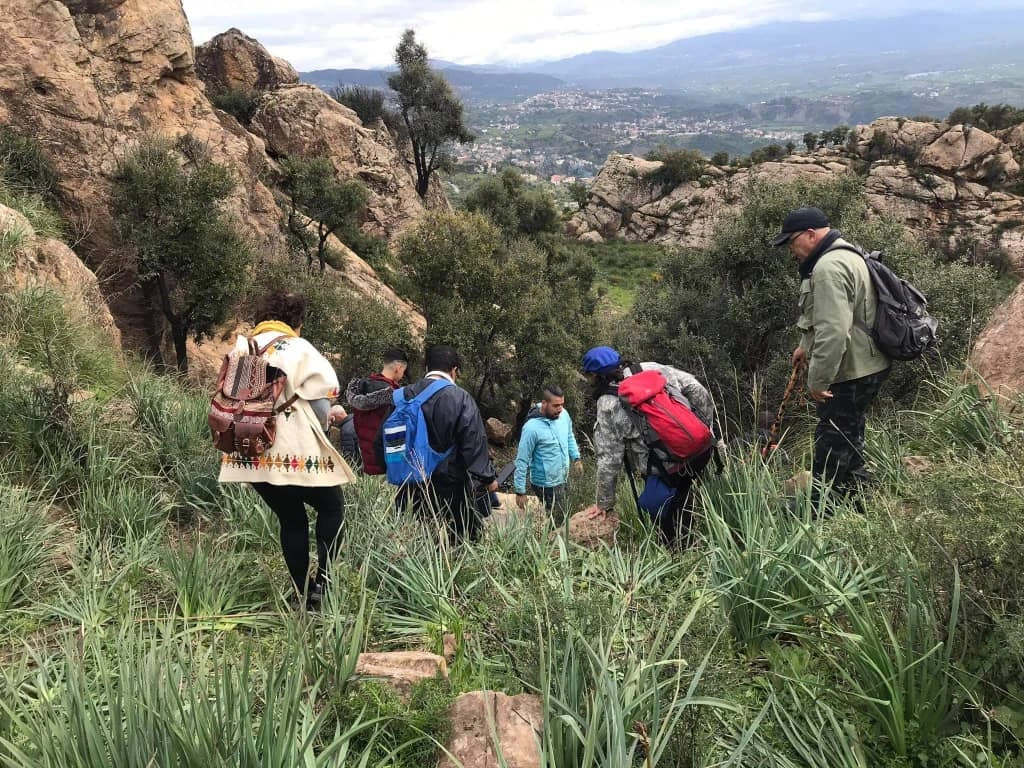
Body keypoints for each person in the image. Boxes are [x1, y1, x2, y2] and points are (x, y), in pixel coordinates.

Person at [218, 290, 356, 609]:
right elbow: (322, 401)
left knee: (291, 518)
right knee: (332, 507)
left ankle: (300, 592)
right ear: (297, 321)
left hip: (249, 450)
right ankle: (324, 585)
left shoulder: (243, 345)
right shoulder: (297, 346)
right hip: (293, 448)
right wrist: (327, 420)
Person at [770, 206, 891, 508]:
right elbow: (829, 316)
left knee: (831, 440)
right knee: (849, 432)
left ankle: (822, 512)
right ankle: (860, 501)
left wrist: (818, 380)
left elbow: (834, 331)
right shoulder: (846, 254)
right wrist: (803, 345)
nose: (790, 250)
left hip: (851, 370)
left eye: (791, 241)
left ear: (810, 235)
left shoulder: (827, 268)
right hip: (869, 363)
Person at [582, 346, 720, 547]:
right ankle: (695, 542)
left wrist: (605, 502)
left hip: (665, 468)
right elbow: (697, 390)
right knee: (683, 497)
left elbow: (609, 459)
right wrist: (702, 428)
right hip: (700, 452)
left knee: (664, 515)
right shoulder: (651, 368)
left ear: (594, 375)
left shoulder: (607, 403)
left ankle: (678, 558)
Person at [390, 345, 497, 544]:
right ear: (454, 371)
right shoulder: (459, 398)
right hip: (450, 487)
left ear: (427, 367)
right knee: (458, 541)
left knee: (414, 542)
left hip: (409, 486)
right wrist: (488, 478)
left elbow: (384, 440)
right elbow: (473, 444)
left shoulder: (402, 396)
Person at [512, 384, 583, 523]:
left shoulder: (564, 415)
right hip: (545, 483)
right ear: (544, 403)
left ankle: (554, 538)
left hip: (562, 475)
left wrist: (576, 457)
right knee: (559, 519)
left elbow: (569, 436)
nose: (560, 409)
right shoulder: (532, 428)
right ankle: (554, 542)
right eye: (556, 405)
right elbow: (522, 460)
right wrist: (520, 491)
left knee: (562, 512)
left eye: (562, 404)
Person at [345, 348, 409, 475]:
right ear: (398, 367)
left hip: (366, 461)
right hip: (387, 464)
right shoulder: (395, 396)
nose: (402, 375)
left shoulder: (362, 388)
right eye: (403, 371)